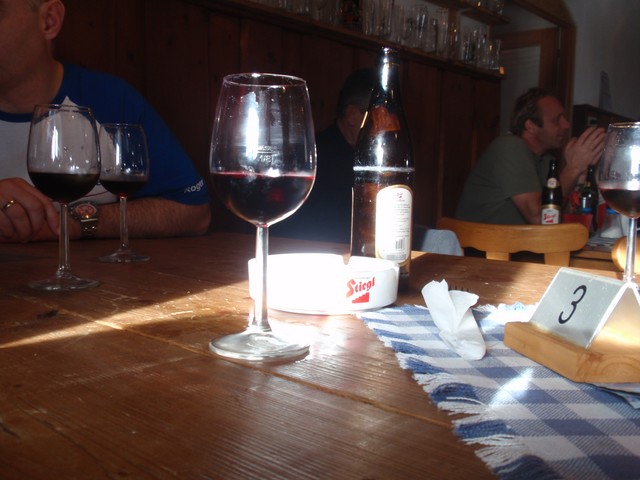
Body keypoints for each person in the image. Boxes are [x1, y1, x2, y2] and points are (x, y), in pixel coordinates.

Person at [0, 0, 211, 243]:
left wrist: (74, 222)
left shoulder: (108, 100)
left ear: (49, 21)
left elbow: (193, 212)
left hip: (90, 268)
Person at [455, 87, 606, 225]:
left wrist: (579, 178)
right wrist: (574, 167)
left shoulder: (546, 160)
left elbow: (559, 218)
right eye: (556, 120)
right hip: (479, 245)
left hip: (517, 244)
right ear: (531, 126)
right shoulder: (509, 147)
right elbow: (539, 217)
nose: (566, 125)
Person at [272, 68, 376, 244]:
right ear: (352, 115)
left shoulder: (366, 159)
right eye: (377, 115)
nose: (388, 125)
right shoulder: (313, 158)